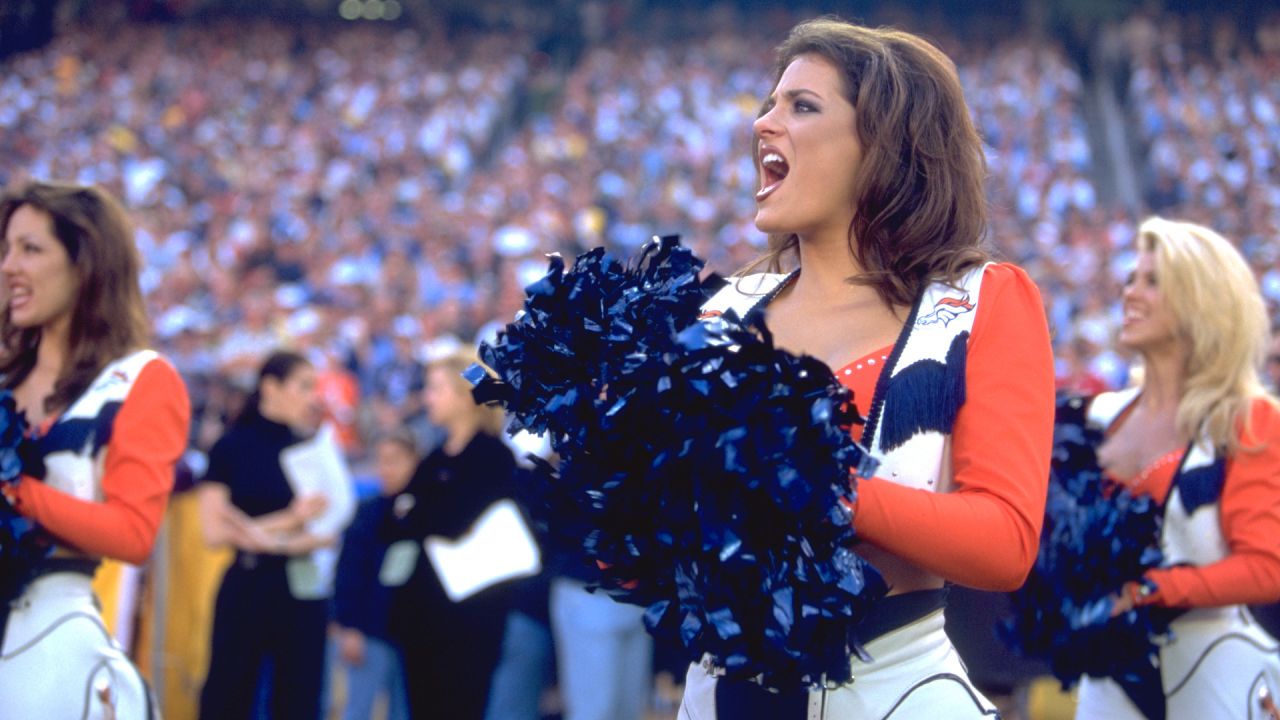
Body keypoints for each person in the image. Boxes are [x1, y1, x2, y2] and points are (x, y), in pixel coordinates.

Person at [680, 18, 1055, 718]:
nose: (764, 123)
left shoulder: (980, 300)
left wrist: (826, 487)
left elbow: (1005, 542)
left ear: (882, 145)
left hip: (896, 693)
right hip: (718, 693)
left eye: (802, 106)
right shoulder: (724, 310)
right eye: (769, 103)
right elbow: (640, 555)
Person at [1069, 218, 1280, 719]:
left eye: (1153, 281)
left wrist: (1149, 591)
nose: (1130, 294)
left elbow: (1269, 567)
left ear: (1202, 302)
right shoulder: (1101, 415)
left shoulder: (1247, 419)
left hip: (1218, 672)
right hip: (1107, 673)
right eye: (1131, 279)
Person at [0, 181, 191, 718]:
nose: (9, 265)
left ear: (85, 263)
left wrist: (17, 493)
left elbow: (133, 533)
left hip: (51, 646)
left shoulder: (139, 380)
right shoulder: (4, 376)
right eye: (6, 249)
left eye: (30, 249)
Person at [196, 350, 336, 720]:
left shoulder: (313, 449)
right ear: (270, 387)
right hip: (248, 582)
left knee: (300, 698)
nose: (312, 397)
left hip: (301, 586)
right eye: (303, 386)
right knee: (228, 694)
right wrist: (289, 521)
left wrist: (254, 530)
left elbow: (327, 530)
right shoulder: (231, 447)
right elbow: (213, 530)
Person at [387, 348, 520, 719]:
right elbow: (396, 520)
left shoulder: (493, 458)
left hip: (472, 619)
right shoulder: (434, 458)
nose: (427, 397)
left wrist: (417, 513)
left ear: (465, 398)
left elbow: (446, 522)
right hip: (422, 615)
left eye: (435, 388)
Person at [331, 429, 418, 720]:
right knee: (358, 708)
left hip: (410, 633)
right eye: (380, 461)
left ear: (414, 462)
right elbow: (348, 573)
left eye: (394, 461)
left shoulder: (427, 512)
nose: (385, 469)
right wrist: (349, 627)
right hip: (370, 632)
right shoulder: (367, 513)